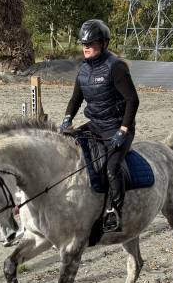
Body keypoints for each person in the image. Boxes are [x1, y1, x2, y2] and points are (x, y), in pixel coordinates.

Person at [59, 18, 140, 233]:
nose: (85, 47)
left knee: (112, 168)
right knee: (67, 147)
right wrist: (67, 119)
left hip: (117, 127)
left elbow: (132, 100)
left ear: (103, 43)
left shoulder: (116, 67)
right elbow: (76, 99)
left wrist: (123, 130)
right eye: (83, 44)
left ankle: (115, 212)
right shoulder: (83, 70)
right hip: (95, 125)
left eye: (90, 43)